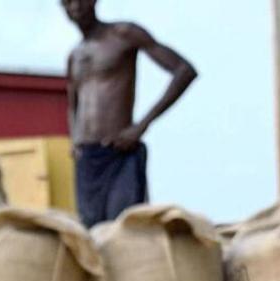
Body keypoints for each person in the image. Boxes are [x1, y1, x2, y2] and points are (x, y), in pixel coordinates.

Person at [62, 0, 197, 228]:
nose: (75, 7)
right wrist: (75, 139)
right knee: (91, 235)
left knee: (125, 230)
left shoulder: (123, 34)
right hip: (88, 158)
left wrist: (142, 125)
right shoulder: (75, 56)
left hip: (119, 151)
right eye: (66, 3)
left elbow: (183, 71)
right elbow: (73, 101)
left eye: (79, 0)